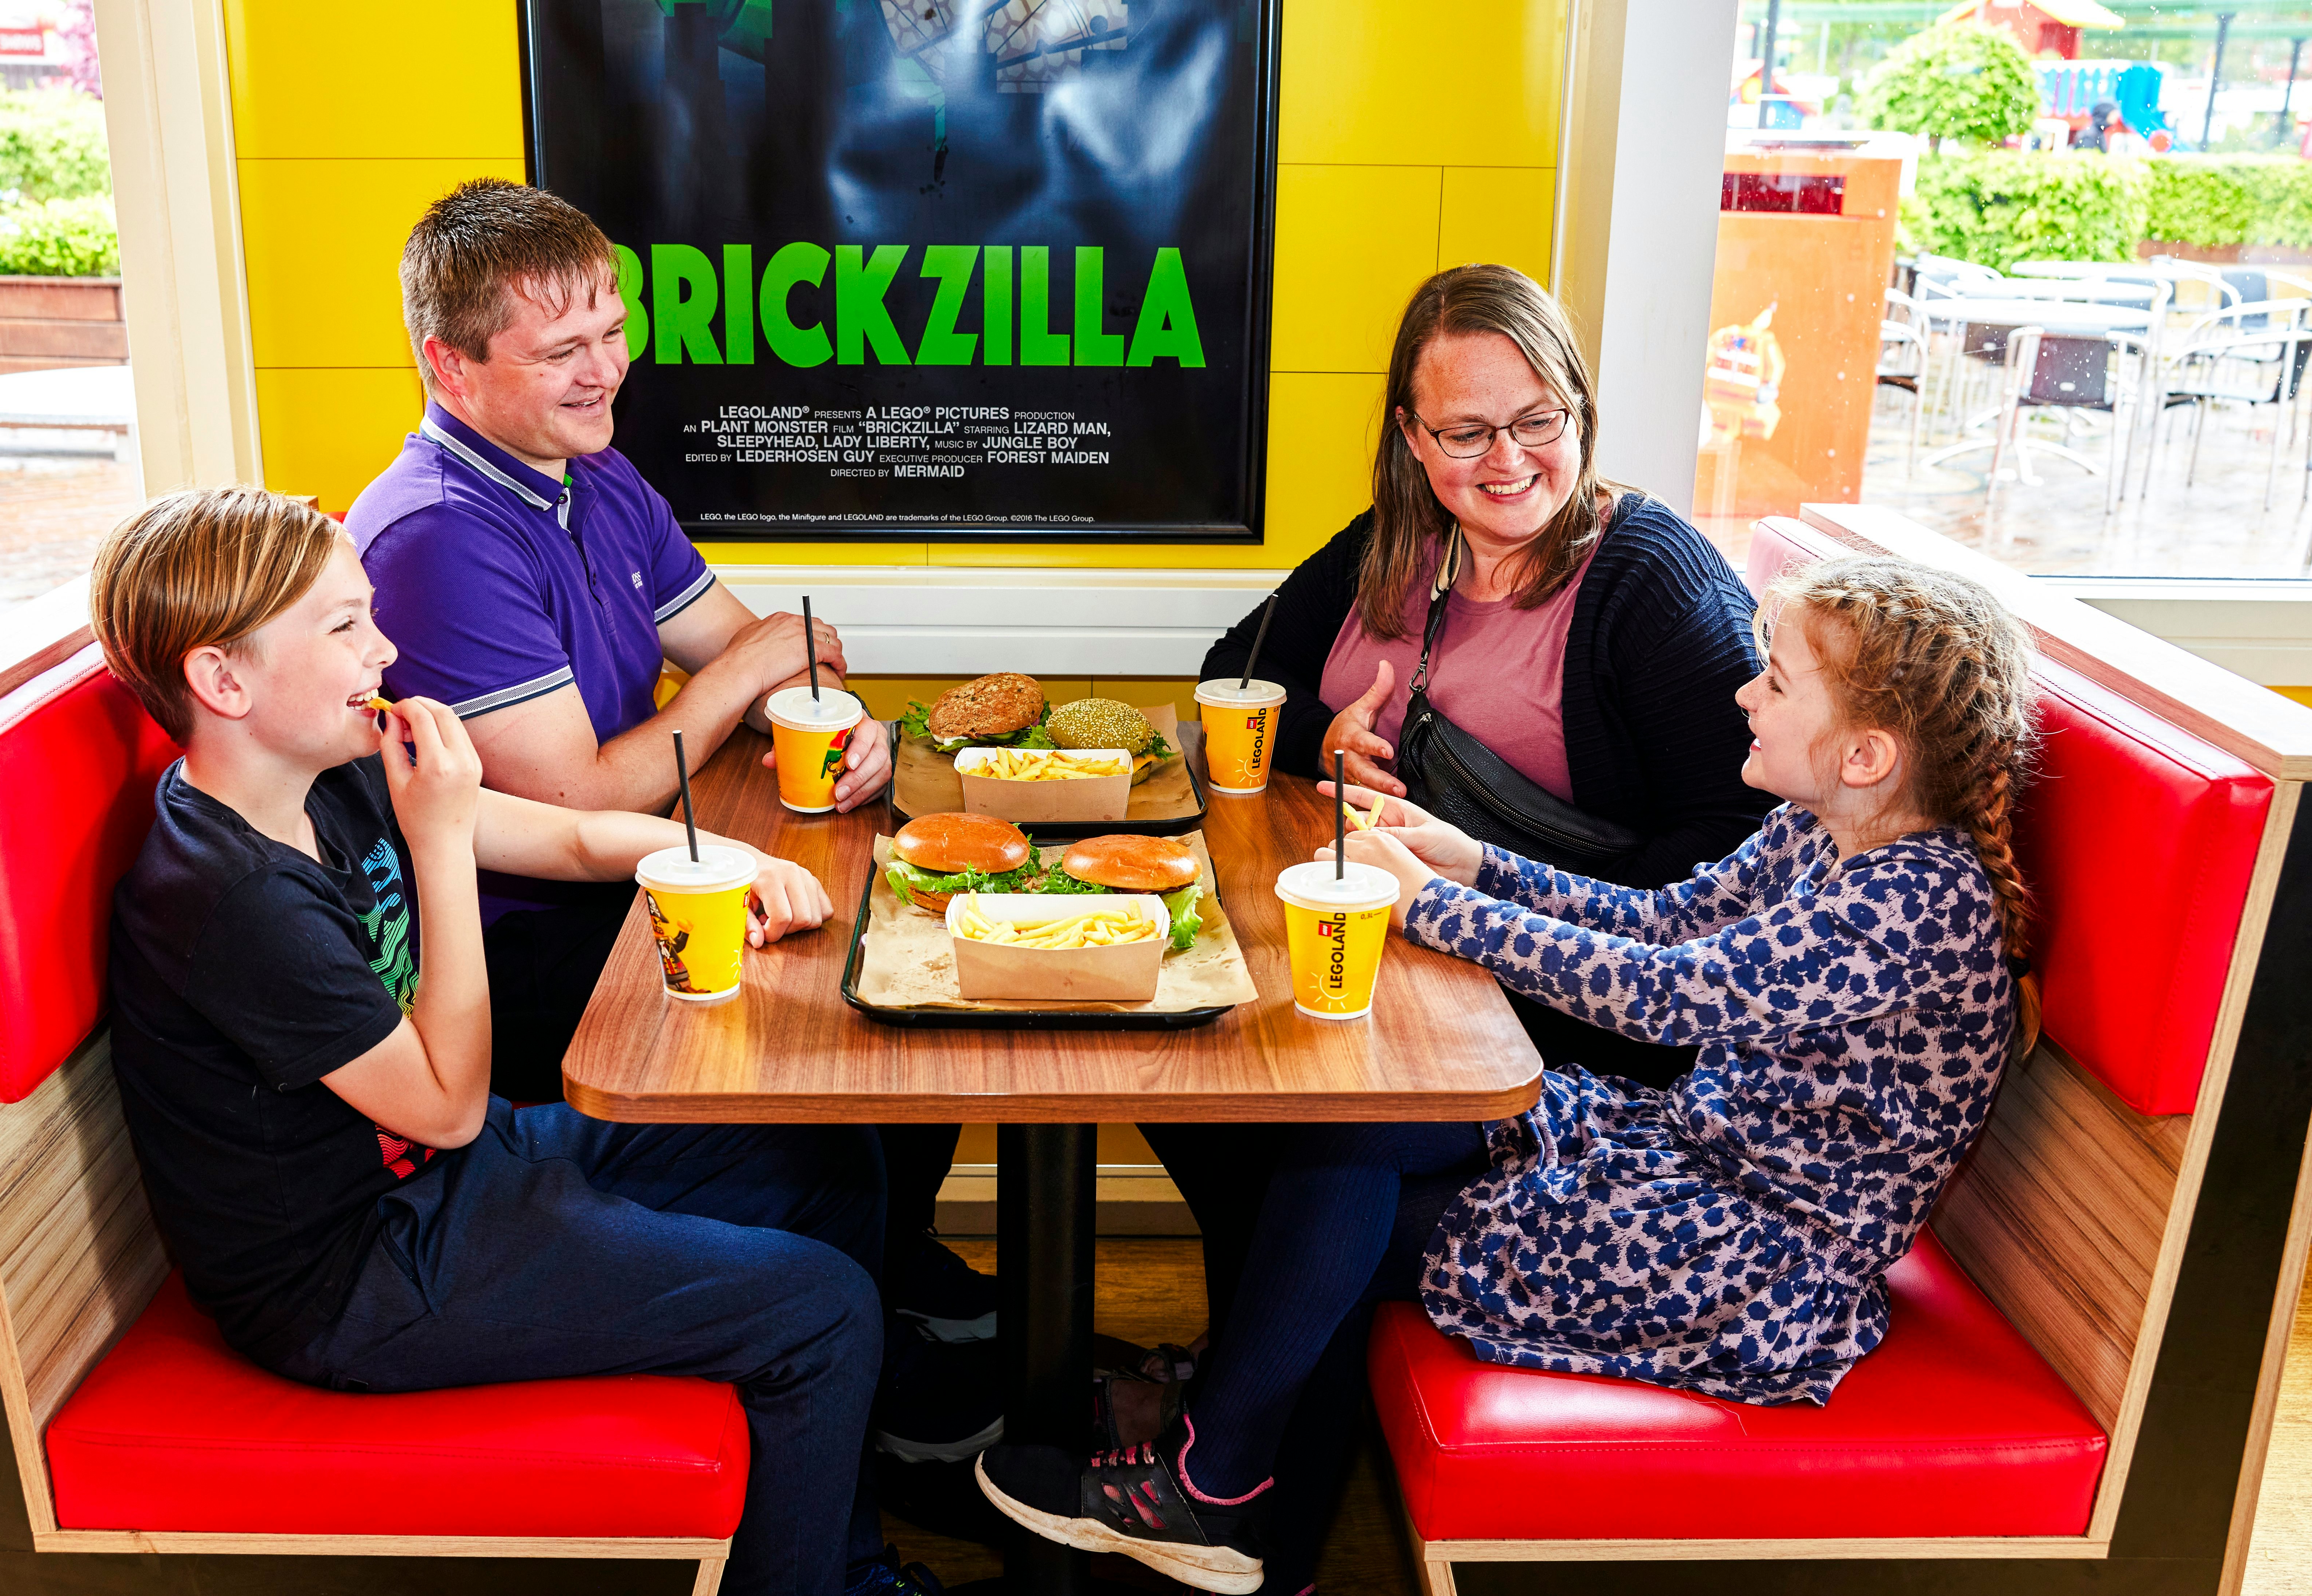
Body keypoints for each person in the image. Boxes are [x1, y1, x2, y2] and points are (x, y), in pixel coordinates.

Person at [979, 555, 2044, 1595]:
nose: (1743, 692)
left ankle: (1217, 1484)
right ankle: (1224, 1478)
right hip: (1680, 1155)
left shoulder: (1919, 901)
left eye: (1773, 681)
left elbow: (1670, 993)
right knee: (1353, 1135)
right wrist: (1469, 859)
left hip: (1754, 1259)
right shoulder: (1821, 831)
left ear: (1865, 755)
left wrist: (1426, 906)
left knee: (1339, 1203)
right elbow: (1665, 916)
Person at [94, 486, 943, 1596]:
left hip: (458, 1175)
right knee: (820, 1310)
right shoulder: (231, 900)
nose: (385, 648)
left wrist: (729, 862)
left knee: (827, 1159)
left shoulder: (330, 771)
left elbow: (578, 833)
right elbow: (445, 1105)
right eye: (345, 626)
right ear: (224, 681)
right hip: (358, 1278)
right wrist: (442, 841)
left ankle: (828, 1562)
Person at [344, 180, 990, 1380]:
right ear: (450, 366)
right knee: (879, 1013)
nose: (606, 371)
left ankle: (888, 1283)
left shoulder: (598, 475)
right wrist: (746, 673)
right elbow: (584, 796)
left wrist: (849, 730)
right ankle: (870, 1333)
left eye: (612, 331)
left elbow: (775, 656)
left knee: (909, 964)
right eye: (561, 352)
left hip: (623, 890)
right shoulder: (437, 533)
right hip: (523, 954)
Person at [1156, 263, 1773, 1340]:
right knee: (1185, 1084)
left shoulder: (1651, 578)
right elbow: (1230, 670)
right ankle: (1243, 1377)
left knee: (1310, 1127)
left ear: (1581, 404)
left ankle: (1238, 1444)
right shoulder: (1393, 545)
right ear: (1412, 437)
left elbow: (1729, 862)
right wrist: (1322, 735)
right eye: (1466, 432)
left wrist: (1487, 908)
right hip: (1386, 951)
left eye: (1538, 419)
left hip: (1568, 1004)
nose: (1508, 461)